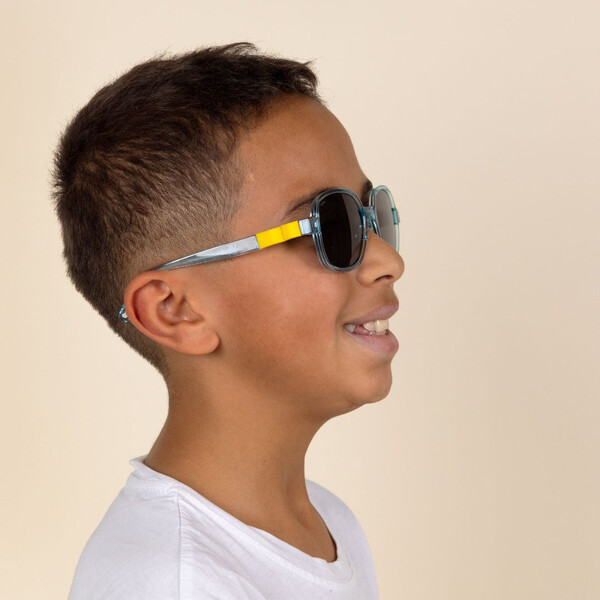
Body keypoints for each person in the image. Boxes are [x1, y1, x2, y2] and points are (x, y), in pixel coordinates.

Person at [53, 42, 405, 600]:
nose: (388, 261)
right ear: (176, 310)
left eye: (373, 215)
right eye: (331, 226)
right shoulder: (175, 584)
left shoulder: (329, 523)